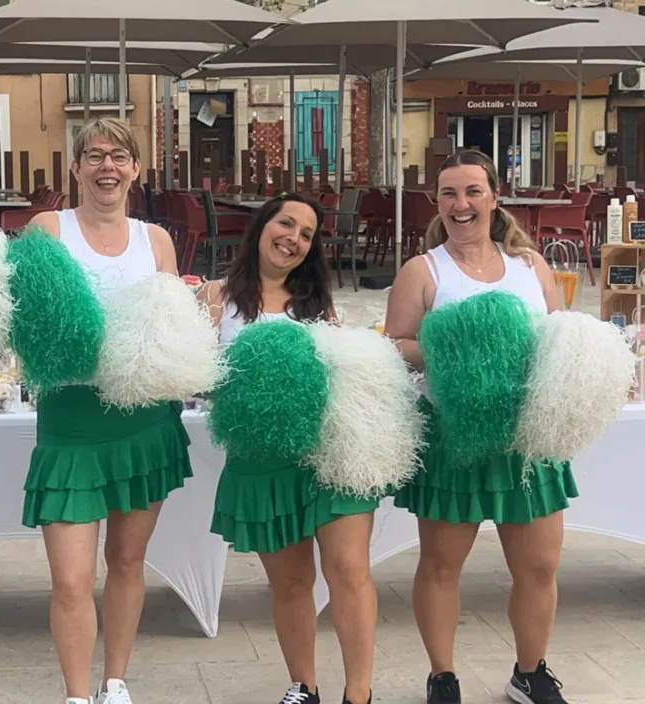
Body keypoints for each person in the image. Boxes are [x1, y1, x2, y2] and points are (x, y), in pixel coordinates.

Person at [384, 150, 575, 704]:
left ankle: (530, 672)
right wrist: (458, 352)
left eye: (472, 191)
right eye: (449, 193)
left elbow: (557, 336)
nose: (461, 203)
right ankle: (442, 676)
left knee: (539, 566)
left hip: (527, 437)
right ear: (436, 202)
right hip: (453, 435)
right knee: (442, 565)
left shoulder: (530, 266)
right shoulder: (423, 270)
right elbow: (395, 345)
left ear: (494, 196)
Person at [21, 117, 190, 704]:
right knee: (70, 579)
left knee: (126, 560)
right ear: (75, 168)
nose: (106, 166)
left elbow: (169, 328)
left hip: (144, 419)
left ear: (136, 169)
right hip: (69, 422)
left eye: (118, 156)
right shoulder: (47, 230)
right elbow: (26, 321)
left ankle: (114, 682)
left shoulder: (156, 240)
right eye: (93, 155)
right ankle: (76, 695)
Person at [198, 193, 378, 704]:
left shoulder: (317, 306)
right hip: (262, 461)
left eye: (306, 234)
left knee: (348, 570)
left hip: (329, 456)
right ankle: (305, 688)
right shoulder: (215, 298)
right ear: (261, 226)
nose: (293, 239)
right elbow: (199, 379)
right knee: (292, 583)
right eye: (286, 224)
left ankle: (359, 694)